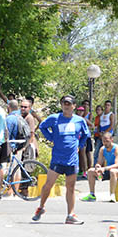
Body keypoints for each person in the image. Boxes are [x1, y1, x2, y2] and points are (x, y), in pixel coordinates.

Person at [32, 95, 90, 224]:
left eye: (69, 103)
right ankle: (41, 207)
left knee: (70, 187)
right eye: (64, 103)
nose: (66, 105)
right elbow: (42, 127)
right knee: (48, 185)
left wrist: (79, 146)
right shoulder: (55, 118)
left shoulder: (79, 121)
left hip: (72, 159)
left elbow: (86, 135)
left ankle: (70, 214)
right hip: (58, 158)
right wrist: (51, 137)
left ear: (74, 106)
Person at [85, 131, 118, 201]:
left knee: (113, 171)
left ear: (111, 140)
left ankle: (112, 195)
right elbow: (99, 162)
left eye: (107, 141)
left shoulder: (117, 148)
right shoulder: (102, 149)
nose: (105, 143)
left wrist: (104, 168)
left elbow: (117, 165)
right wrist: (98, 167)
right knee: (90, 171)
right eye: (103, 141)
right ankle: (92, 194)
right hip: (108, 170)